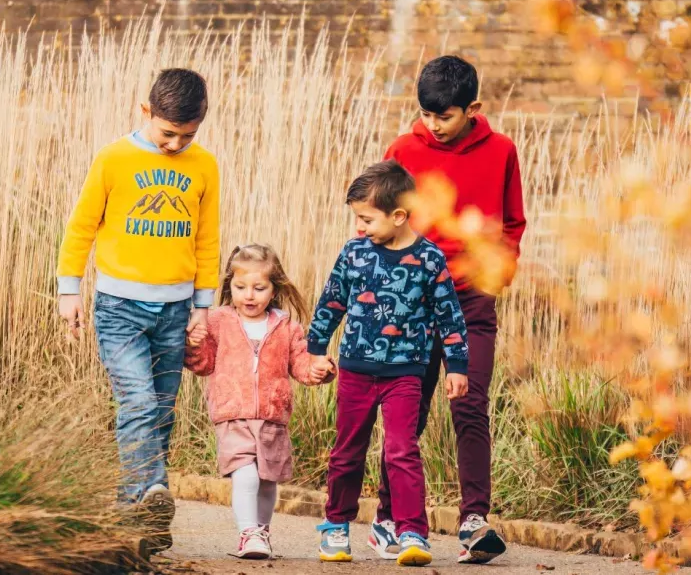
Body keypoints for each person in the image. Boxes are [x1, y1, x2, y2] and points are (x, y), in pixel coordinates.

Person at [56, 68, 221, 553]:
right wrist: (70, 290)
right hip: (119, 309)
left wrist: (202, 307)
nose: (176, 144)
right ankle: (144, 497)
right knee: (139, 405)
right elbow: (81, 226)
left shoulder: (205, 166)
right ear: (145, 111)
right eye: (168, 133)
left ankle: (142, 515)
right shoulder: (114, 158)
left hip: (175, 311)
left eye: (187, 135)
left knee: (163, 414)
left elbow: (207, 238)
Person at [371, 55, 526, 565]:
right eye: (427, 116)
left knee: (470, 406)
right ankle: (389, 517)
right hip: (412, 302)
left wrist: (497, 274)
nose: (433, 127)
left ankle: (474, 521)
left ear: (473, 109)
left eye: (446, 117)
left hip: (471, 301)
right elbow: (381, 219)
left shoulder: (502, 150)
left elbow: (513, 221)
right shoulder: (402, 149)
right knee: (406, 411)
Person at [307, 160, 470, 567]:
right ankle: (336, 527)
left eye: (367, 219)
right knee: (347, 451)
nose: (360, 227)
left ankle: (410, 530)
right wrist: (315, 347)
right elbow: (331, 301)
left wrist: (457, 364)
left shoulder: (429, 259)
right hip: (356, 370)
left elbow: (449, 314)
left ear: (399, 216)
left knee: (402, 451)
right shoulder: (355, 252)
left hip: (406, 373)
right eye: (357, 219)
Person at [184, 244, 335, 560]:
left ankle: (261, 532)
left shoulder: (286, 327)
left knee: (267, 480)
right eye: (240, 287)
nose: (248, 295)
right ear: (230, 286)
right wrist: (194, 345)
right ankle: (247, 532)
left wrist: (319, 369)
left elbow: (301, 365)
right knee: (246, 474)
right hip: (232, 413)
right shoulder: (218, 321)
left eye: (258, 288)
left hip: (272, 415)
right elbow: (203, 364)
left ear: (274, 289)